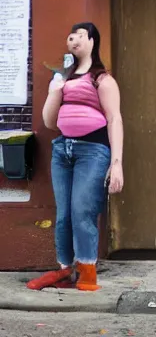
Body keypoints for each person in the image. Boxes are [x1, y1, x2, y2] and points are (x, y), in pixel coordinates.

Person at [27, 23, 123, 291]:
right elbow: (49, 122)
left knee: (83, 211)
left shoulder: (102, 79)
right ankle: (64, 271)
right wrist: (54, 90)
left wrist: (117, 164)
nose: (75, 39)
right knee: (64, 215)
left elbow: (114, 119)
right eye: (72, 36)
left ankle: (88, 272)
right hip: (62, 150)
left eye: (81, 35)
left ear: (93, 41)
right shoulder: (63, 80)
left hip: (93, 151)